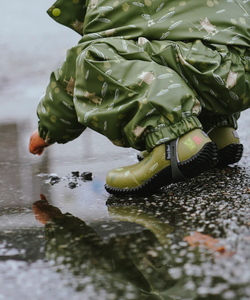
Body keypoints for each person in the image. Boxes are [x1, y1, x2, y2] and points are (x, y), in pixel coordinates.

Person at [29, 0, 248, 195]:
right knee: (179, 42)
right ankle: (217, 131)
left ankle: (173, 141)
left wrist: (47, 130)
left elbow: (74, 72)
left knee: (96, 56)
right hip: (238, 77)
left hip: (210, 66)